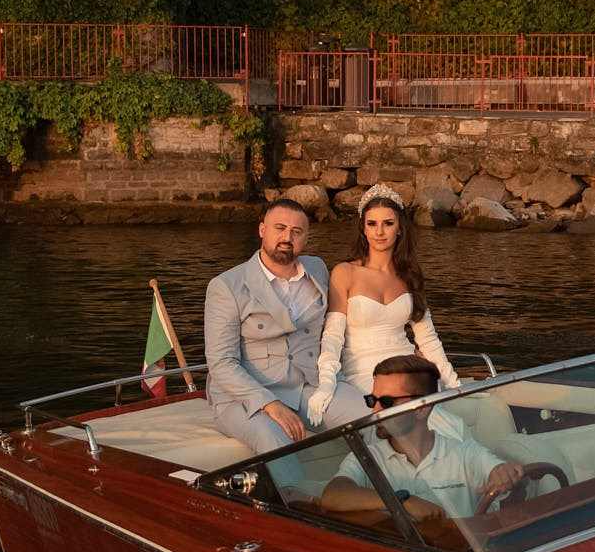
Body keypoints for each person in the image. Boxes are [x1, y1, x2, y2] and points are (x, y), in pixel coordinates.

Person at [204, 198, 362, 454]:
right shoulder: (227, 286)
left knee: (373, 418)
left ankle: (361, 479)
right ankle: (290, 484)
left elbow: (339, 323)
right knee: (272, 436)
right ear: (262, 230)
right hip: (246, 395)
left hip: (309, 385)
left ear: (306, 238)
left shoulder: (317, 269)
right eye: (280, 228)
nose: (287, 237)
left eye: (296, 231)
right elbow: (221, 362)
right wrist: (269, 404)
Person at [305, 184, 461, 426]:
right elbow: (333, 337)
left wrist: (453, 385)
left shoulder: (410, 274)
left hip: (407, 366)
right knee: (402, 421)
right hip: (362, 371)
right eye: (372, 224)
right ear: (363, 228)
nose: (379, 232)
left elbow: (428, 338)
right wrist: (326, 382)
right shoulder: (345, 273)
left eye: (388, 223)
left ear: (400, 228)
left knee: (448, 423)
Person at [320, 355, 521, 519]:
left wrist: (505, 473)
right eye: (372, 400)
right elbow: (332, 495)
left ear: (422, 409)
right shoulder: (368, 457)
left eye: (387, 402)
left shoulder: (464, 453)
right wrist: (404, 501)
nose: (375, 411)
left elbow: (497, 472)